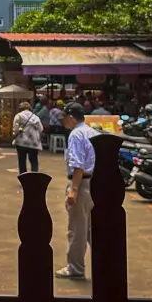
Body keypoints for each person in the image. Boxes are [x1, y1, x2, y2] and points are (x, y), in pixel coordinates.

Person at [56, 102, 97, 281]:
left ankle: (75, 268)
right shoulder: (93, 132)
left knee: (77, 229)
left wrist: (73, 190)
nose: (63, 121)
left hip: (82, 183)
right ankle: (106, 263)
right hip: (95, 184)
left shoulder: (76, 134)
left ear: (71, 118)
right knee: (91, 230)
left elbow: (78, 164)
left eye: (64, 117)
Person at [11, 100, 43, 173]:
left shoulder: (18, 116)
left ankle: (23, 178)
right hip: (34, 142)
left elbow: (15, 129)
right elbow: (41, 129)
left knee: (22, 160)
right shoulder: (35, 117)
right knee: (34, 161)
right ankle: (34, 176)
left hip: (21, 142)